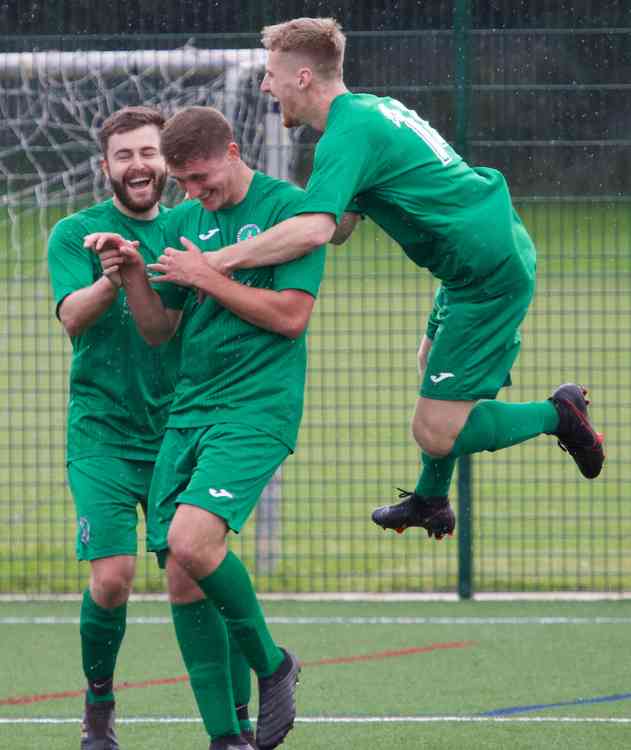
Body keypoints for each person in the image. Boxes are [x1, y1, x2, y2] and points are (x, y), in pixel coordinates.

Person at [199, 16, 605, 540]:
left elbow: (317, 232)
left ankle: (560, 413)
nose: (264, 86)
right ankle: (431, 500)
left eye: (271, 74)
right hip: (478, 252)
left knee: (435, 430)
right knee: (428, 364)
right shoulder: (368, 112)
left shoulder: (347, 134)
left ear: (302, 77)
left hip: (486, 270)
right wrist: (265, 202)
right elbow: (339, 225)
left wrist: (220, 261)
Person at [86, 105, 326, 750]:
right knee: (181, 573)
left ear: (233, 149)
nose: (190, 194)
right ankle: (227, 737)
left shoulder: (290, 210)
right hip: (191, 410)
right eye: (182, 182)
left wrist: (208, 274)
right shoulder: (185, 221)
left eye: (199, 178)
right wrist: (134, 272)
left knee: (192, 541)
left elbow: (290, 316)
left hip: (255, 406)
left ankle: (274, 664)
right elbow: (159, 329)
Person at [48, 106, 254, 750]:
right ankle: (101, 704)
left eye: (147, 153)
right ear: (104, 166)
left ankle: (238, 722)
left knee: (195, 571)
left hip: (182, 431)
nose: (138, 166)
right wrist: (114, 277)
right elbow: (70, 317)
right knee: (111, 577)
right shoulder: (76, 233)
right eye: (124, 156)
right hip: (102, 435)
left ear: (167, 161)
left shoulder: (192, 226)